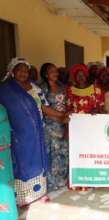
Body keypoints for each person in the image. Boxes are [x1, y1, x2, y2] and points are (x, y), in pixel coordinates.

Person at [0, 57, 65, 207]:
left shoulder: (34, 87)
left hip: (38, 131)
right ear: (12, 71)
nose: (23, 73)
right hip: (17, 134)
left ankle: (38, 193)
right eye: (19, 70)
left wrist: (62, 115)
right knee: (22, 163)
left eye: (25, 70)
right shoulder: (5, 89)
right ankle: (22, 198)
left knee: (38, 161)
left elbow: (44, 107)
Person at [40, 63, 69, 192]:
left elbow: (68, 103)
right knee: (51, 153)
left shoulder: (63, 87)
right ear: (46, 74)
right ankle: (51, 183)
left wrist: (66, 116)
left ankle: (61, 180)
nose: (55, 73)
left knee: (62, 152)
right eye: (52, 71)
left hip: (63, 125)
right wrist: (61, 115)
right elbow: (43, 107)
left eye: (56, 71)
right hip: (50, 126)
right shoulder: (42, 89)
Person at [0, 104, 18, 220]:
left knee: (5, 186)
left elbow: (6, 128)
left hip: (3, 154)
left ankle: (7, 216)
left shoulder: (1, 109)